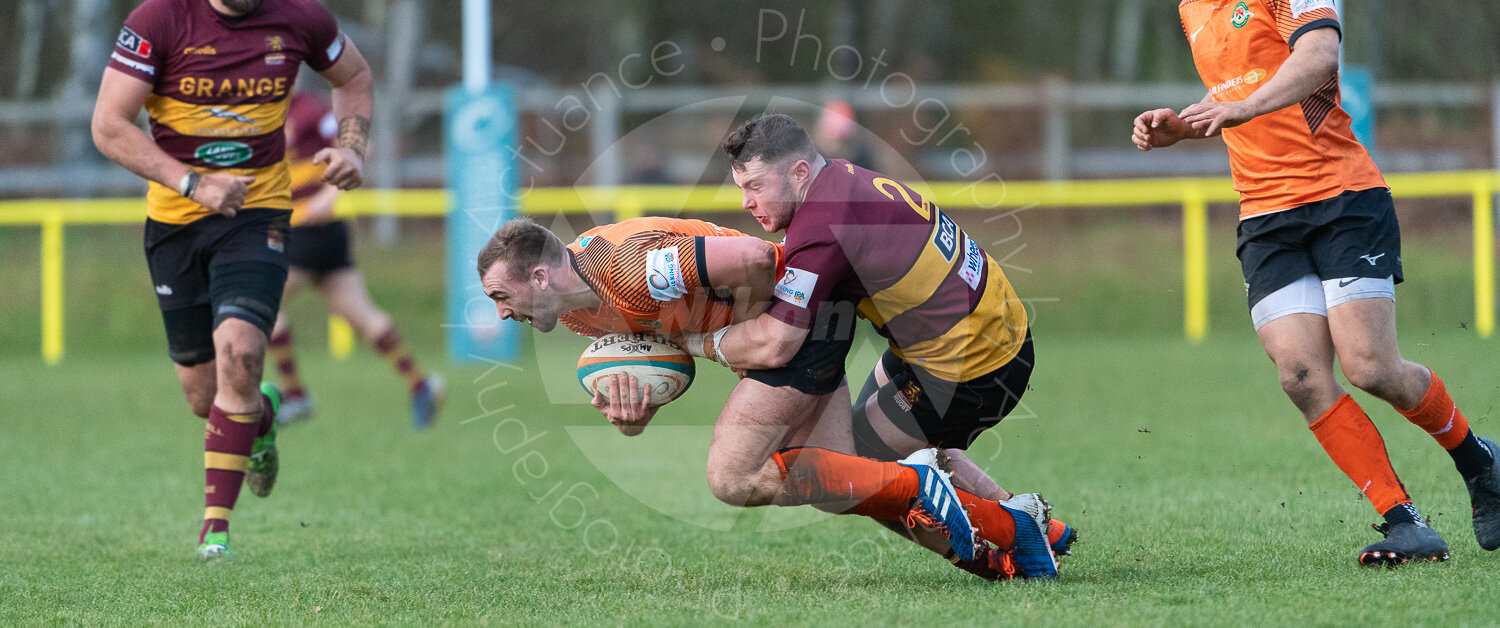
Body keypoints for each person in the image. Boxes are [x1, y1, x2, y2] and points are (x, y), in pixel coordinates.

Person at [477, 216, 1071, 580]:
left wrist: (763, 332)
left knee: (733, 477)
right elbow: (668, 358)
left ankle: (925, 488)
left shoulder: (625, 267)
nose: (502, 313)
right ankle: (1022, 533)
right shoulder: (584, 315)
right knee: (847, 483)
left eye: (502, 295)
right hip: (809, 325)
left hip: (798, 323)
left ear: (538, 276)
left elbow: (758, 257)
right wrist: (631, 410)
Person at [1130, 1, 1499, 566]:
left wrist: (1244, 107)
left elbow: (1319, 55)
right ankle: (1405, 524)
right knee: (1300, 375)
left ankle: (1479, 464)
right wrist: (1188, 122)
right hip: (1264, 215)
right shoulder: (1191, 9)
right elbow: (1238, 86)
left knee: (1372, 368)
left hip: (1342, 198)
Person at [674, 113, 1070, 579]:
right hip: (981, 334)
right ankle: (1038, 527)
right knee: (874, 459)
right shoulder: (840, 178)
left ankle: (1013, 542)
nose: (746, 202)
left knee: (856, 475)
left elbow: (777, 344)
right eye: (742, 188)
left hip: (970, 369)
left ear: (799, 172)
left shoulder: (823, 223)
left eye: (756, 186)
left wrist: (689, 342)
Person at [91, 0, 372, 561]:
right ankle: (260, 417)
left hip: (259, 215)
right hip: (175, 223)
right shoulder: (157, 20)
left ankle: (214, 532)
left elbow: (355, 76)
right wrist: (191, 183)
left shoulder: (301, 17)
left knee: (240, 353)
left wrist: (354, 148)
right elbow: (108, 126)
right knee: (205, 396)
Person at [267, 92, 444, 429]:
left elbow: (363, 147)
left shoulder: (307, 110)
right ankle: (421, 386)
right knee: (362, 315)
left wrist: (329, 195)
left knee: (262, 303)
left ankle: (294, 395)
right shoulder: (257, 113)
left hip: (309, 229)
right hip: (313, 232)